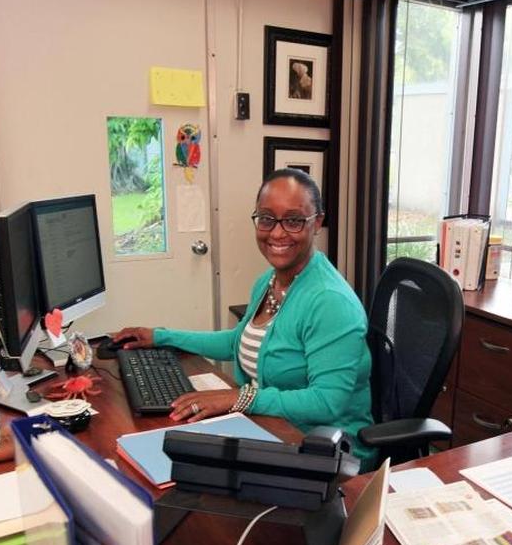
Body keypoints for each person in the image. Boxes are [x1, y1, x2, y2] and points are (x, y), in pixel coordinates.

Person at [112, 169, 373, 460]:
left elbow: (326, 402)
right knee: (164, 449)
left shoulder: (329, 302)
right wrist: (160, 336)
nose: (276, 232)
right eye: (266, 218)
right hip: (271, 429)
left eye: (294, 220)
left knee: (182, 467)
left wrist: (239, 398)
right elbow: (237, 342)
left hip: (326, 453)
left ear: (317, 223)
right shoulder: (268, 282)